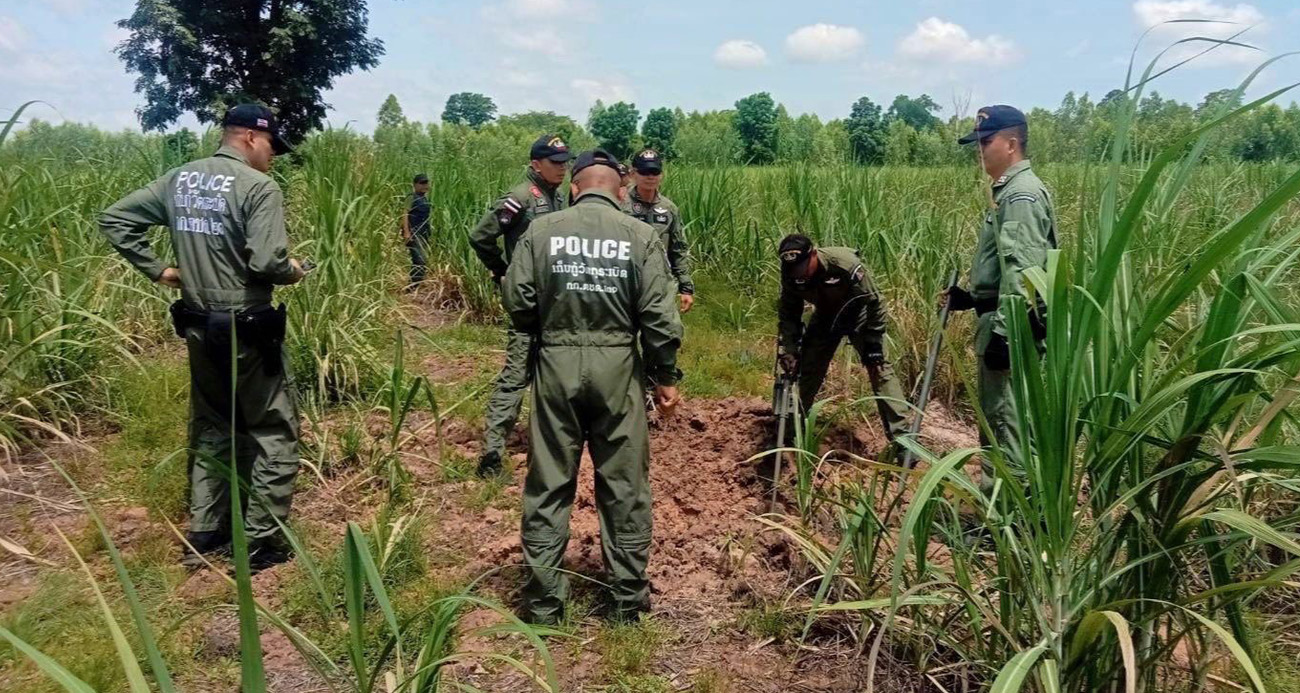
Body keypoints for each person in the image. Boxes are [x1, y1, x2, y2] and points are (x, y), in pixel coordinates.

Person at [98, 104, 307, 571]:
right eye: (273, 146)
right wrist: (294, 270)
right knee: (273, 428)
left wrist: (160, 270)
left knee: (213, 424)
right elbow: (267, 264)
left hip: (196, 323)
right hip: (247, 327)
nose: (273, 157)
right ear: (252, 138)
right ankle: (261, 542)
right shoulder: (259, 187)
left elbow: (115, 219)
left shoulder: (180, 179)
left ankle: (206, 530)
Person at [503, 148, 683, 625]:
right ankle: (626, 603)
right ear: (621, 191)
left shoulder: (540, 231)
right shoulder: (641, 235)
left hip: (556, 365)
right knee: (624, 485)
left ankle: (544, 604)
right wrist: (665, 376)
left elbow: (519, 304)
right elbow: (660, 319)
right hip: (618, 365)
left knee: (548, 484)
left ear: (576, 188)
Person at [944, 105, 1057, 486]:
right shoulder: (1009, 192)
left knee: (1007, 421)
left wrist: (1005, 335)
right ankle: (1007, 508)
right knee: (1002, 418)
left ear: (1011, 144)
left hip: (1012, 328)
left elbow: (1025, 272)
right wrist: (974, 299)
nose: (980, 150)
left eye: (986, 141)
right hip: (1000, 316)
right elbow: (1009, 268)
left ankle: (1010, 515)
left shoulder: (1020, 196)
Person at [469, 134, 570, 477]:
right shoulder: (520, 197)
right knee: (516, 374)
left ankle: (550, 441)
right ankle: (493, 450)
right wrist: (502, 271)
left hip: (555, 301)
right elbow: (480, 235)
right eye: (555, 163)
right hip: (529, 300)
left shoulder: (558, 198)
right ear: (535, 164)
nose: (562, 168)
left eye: (565, 162)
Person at [776, 234, 909, 443]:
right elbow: (789, 313)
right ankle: (791, 434)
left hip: (858, 313)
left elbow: (876, 301)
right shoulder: (790, 275)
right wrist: (791, 348)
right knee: (806, 369)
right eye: (794, 270)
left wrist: (874, 339)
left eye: (802, 267)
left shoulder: (844, 264)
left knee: (879, 368)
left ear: (813, 254)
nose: (799, 273)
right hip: (825, 317)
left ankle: (903, 439)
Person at [627, 149, 694, 312]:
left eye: (655, 172)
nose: (650, 177)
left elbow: (678, 249)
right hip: (627, 281)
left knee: (661, 332)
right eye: (644, 171)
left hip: (659, 282)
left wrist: (686, 287)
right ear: (634, 173)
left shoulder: (669, 208)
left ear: (661, 175)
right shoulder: (620, 204)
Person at [402, 173, 432, 286]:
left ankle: (414, 285)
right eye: (422, 183)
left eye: (426, 183)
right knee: (420, 260)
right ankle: (412, 287)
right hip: (414, 233)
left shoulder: (424, 199)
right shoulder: (411, 197)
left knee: (420, 261)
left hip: (423, 233)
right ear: (415, 184)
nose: (425, 185)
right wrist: (406, 232)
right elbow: (404, 214)